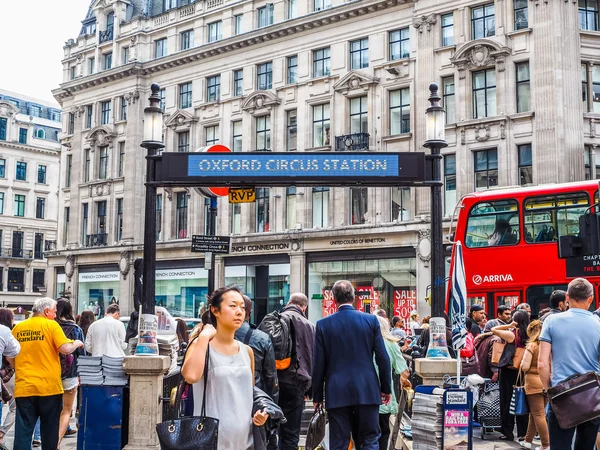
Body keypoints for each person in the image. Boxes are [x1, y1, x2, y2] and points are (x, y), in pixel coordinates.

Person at [181, 286, 270, 450]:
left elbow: (248, 395)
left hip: (246, 441)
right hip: (212, 441)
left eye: (242, 307)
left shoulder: (247, 351)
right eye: (233, 306)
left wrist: (259, 414)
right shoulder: (201, 347)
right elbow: (191, 376)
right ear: (215, 310)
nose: (239, 311)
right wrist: (204, 336)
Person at [312, 280, 391, 450]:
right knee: (369, 439)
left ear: (333, 299)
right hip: (367, 389)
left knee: (339, 442)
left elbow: (318, 363)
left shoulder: (323, 325)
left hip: (337, 391)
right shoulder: (371, 321)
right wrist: (386, 388)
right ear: (354, 297)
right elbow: (382, 358)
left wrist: (317, 396)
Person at [12, 297, 83, 450]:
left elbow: (10, 356)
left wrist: (20, 367)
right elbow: (65, 349)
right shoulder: (51, 325)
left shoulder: (18, 328)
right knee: (49, 433)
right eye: (54, 312)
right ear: (46, 311)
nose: (55, 315)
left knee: (23, 434)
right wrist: (76, 343)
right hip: (49, 388)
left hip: (24, 388)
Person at [539, 278, 600, 449]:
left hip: (561, 394)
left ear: (567, 297)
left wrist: (549, 390)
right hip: (591, 395)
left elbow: (542, 364)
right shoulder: (598, 323)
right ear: (590, 298)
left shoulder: (551, 321)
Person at [277, 293, 315, 450]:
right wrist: (311, 390)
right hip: (296, 383)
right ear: (304, 307)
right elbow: (312, 358)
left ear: (289, 303)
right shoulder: (310, 326)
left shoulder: (276, 319)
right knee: (291, 434)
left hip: (274, 382)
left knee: (271, 431)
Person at [492, 310, 530, 442]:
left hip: (509, 370)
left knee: (507, 401)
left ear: (516, 320)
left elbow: (494, 329)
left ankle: (508, 432)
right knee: (522, 400)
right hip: (523, 371)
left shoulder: (512, 334)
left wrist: (509, 325)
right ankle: (523, 433)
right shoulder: (530, 334)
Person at [374, 315, 410, 450]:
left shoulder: (364, 343)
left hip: (364, 397)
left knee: (366, 435)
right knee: (383, 432)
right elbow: (404, 371)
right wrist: (403, 379)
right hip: (384, 398)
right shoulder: (391, 344)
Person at [234, 295, 278, 401]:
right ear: (250, 312)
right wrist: (271, 407)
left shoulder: (215, 336)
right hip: (254, 397)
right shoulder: (262, 338)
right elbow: (271, 377)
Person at [55, 299, 85, 446]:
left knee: (52, 411)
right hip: (70, 374)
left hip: (52, 373)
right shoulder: (76, 329)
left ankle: (48, 439)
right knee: (66, 410)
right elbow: (82, 353)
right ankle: (57, 443)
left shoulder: (51, 326)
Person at [520, 320, 549, 450]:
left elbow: (525, 366)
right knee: (535, 413)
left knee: (538, 414)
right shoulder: (548, 345)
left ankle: (546, 445)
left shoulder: (531, 346)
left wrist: (521, 365)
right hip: (546, 382)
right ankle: (528, 440)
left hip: (533, 383)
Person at [0, 308, 20, 447]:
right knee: (15, 406)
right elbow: (14, 351)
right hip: (8, 376)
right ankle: (1, 434)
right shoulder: (6, 332)